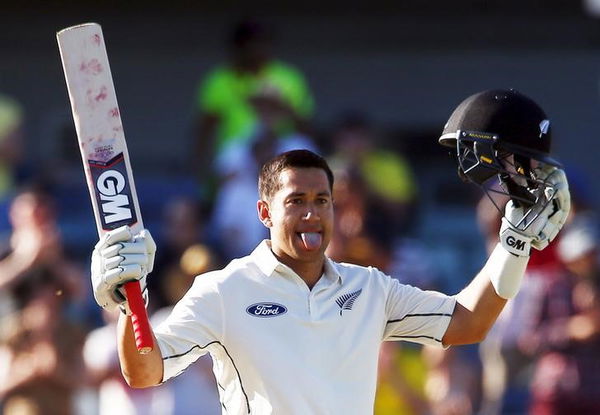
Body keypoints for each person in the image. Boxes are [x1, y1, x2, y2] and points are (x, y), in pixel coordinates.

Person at [89, 88, 570, 414]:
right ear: (263, 212)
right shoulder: (223, 290)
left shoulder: (368, 287)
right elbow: (145, 371)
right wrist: (125, 301)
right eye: (295, 202)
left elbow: (470, 322)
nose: (312, 214)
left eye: (322, 201)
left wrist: (515, 243)